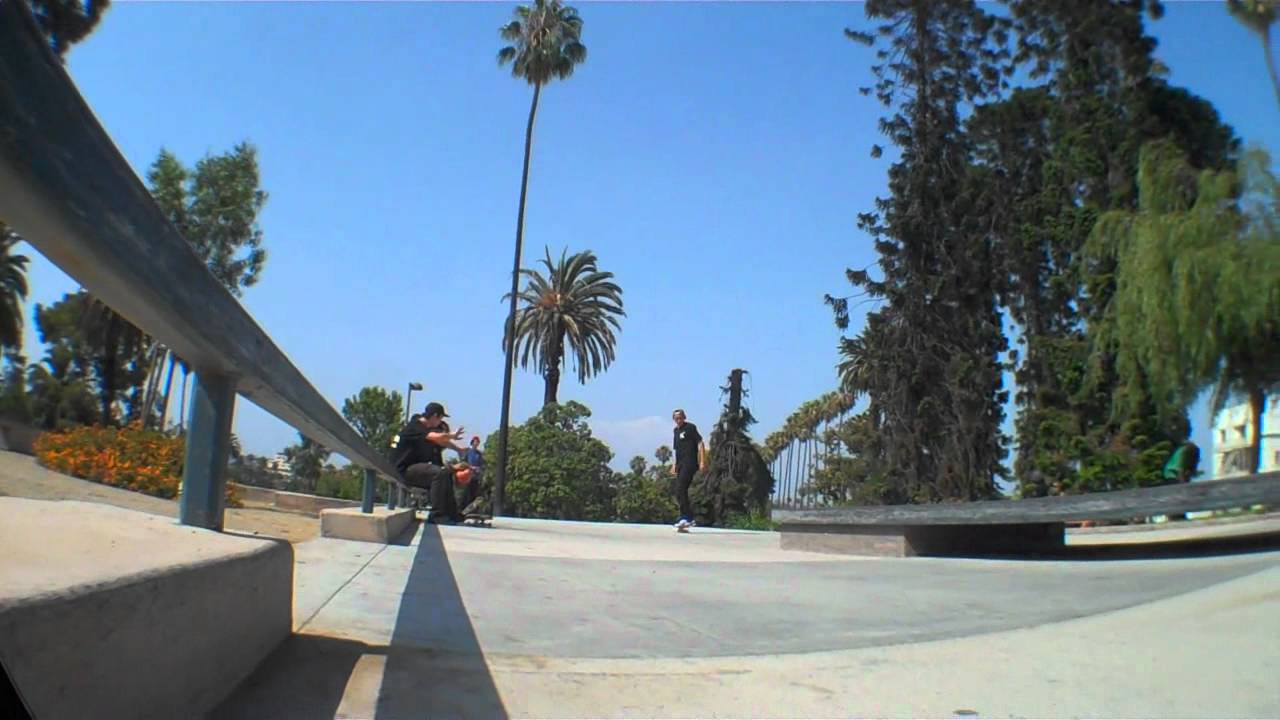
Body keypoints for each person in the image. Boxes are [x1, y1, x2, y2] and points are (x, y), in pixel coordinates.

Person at [390, 401, 469, 524]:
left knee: (445, 473)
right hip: (404, 470)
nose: (440, 422)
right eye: (440, 418)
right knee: (439, 473)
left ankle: (452, 514)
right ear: (435, 416)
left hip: (412, 469)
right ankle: (437, 515)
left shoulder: (424, 430)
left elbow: (441, 441)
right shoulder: (415, 426)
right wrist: (451, 435)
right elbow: (437, 437)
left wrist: (458, 449)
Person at [670, 408, 706, 531]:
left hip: (690, 463)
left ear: (684, 417)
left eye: (680, 417)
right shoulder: (675, 431)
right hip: (680, 464)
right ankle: (685, 518)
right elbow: (676, 449)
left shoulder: (690, 427)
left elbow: (700, 443)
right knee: (678, 491)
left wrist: (702, 461)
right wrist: (674, 465)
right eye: (676, 418)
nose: (678, 420)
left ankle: (687, 517)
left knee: (681, 488)